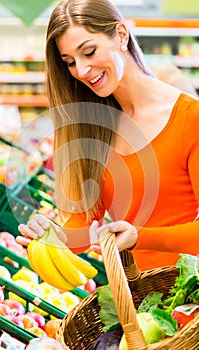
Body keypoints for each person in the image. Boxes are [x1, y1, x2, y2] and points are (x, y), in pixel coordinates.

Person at [17, 0, 199, 271]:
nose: (81, 71)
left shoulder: (189, 118)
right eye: (70, 62)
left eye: (89, 52)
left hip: (188, 295)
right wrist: (51, 236)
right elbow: (86, 221)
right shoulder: (91, 124)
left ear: (121, 35)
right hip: (132, 294)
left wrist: (140, 237)